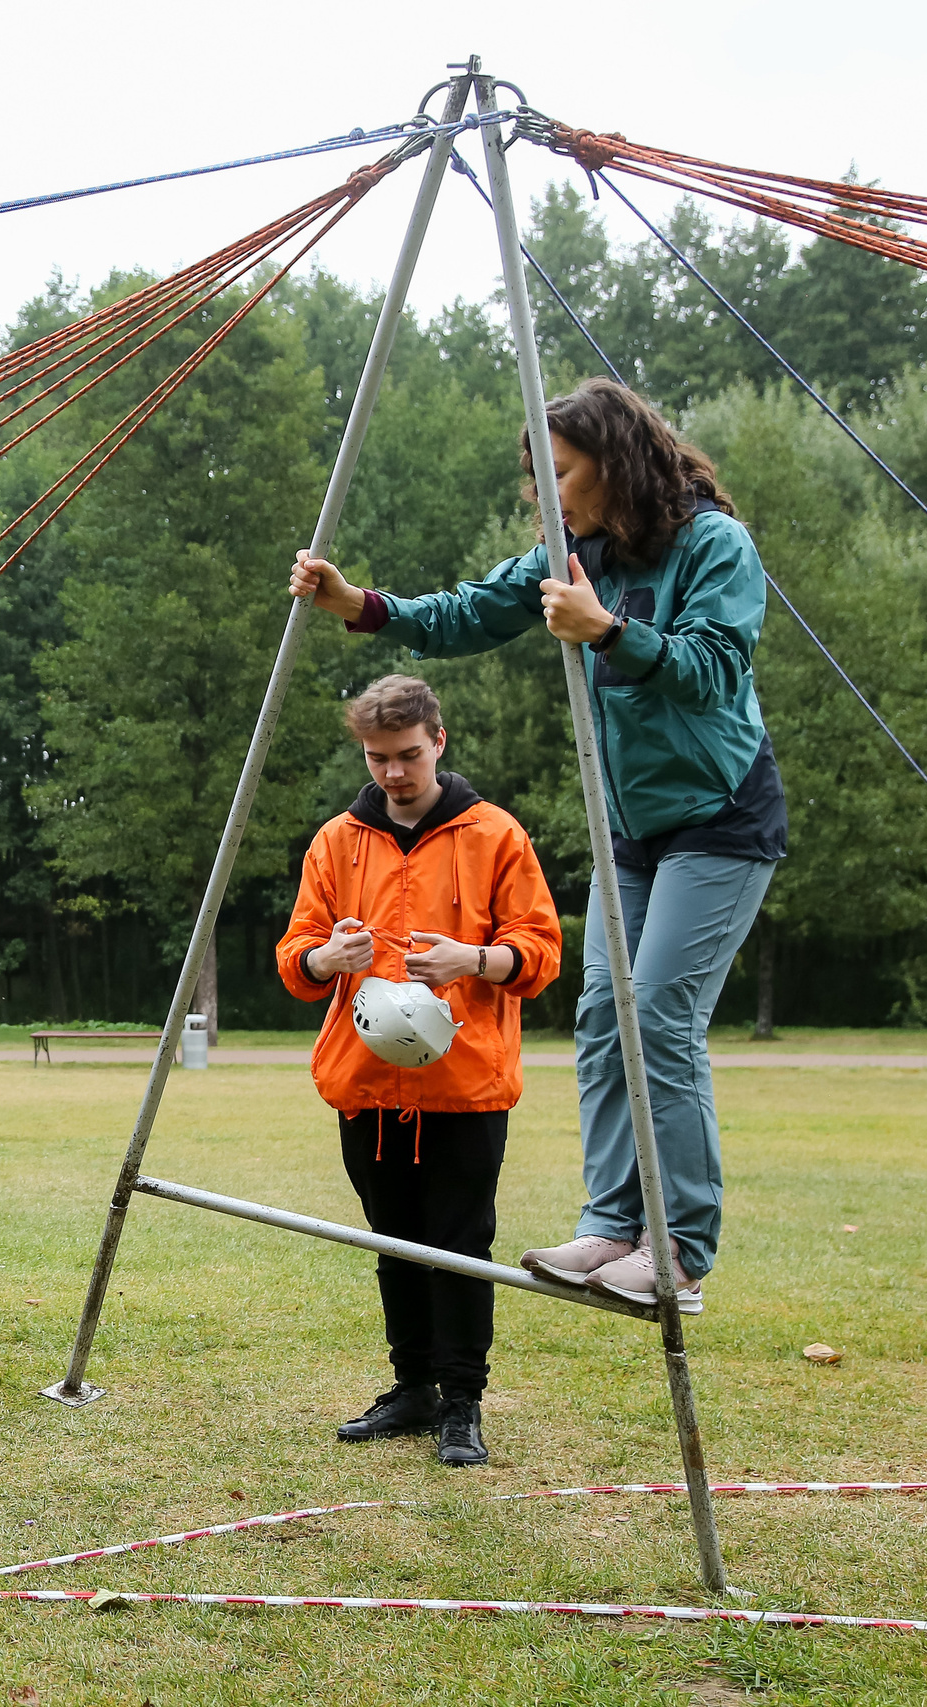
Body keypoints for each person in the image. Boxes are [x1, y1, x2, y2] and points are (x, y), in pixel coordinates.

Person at [290, 376, 785, 1316]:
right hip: (628, 832)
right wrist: (358, 603)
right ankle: (610, 1223)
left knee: (661, 1021)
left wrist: (610, 631)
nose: (548, 493)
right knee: (604, 1016)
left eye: (560, 471)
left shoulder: (714, 545)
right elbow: (469, 612)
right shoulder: (572, 552)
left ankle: (677, 1246)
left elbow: (717, 670)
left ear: (617, 460)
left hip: (719, 819)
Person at [276, 675, 562, 1467]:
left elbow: (540, 953)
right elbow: (295, 958)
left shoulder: (497, 835)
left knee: (462, 1241)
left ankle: (463, 1400)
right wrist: (325, 956)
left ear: (439, 740)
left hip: (464, 1087)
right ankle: (412, 1388)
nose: (393, 773)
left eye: (407, 755)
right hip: (366, 1085)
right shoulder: (336, 840)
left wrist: (474, 957)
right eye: (377, 758)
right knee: (394, 1240)